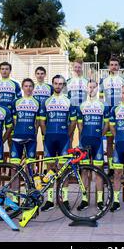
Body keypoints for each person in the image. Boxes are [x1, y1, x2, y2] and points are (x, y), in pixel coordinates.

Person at [39, 75, 77, 212]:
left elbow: (73, 121)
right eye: (56, 83)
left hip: (63, 140)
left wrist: (68, 134)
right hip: (50, 139)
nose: (58, 86)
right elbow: (42, 122)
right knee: (50, 168)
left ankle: (64, 199)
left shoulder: (68, 101)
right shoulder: (46, 101)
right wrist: (45, 134)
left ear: (64, 85)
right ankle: (49, 200)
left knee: (64, 169)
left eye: (61, 84)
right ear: (52, 84)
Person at [76, 80, 110, 211]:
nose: (91, 89)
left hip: (98, 142)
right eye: (89, 87)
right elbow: (80, 125)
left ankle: (100, 200)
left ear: (98, 89)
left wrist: (100, 135)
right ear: (86, 89)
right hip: (85, 141)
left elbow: (106, 124)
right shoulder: (82, 105)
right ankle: (85, 200)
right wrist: (84, 136)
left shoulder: (103, 105)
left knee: (98, 171)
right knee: (84, 171)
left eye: (94, 87)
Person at [99, 57, 124, 176]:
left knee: (122, 141)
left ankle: (123, 168)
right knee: (110, 142)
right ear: (108, 67)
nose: (114, 67)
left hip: (121, 113)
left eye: (116, 65)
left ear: (119, 67)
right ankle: (111, 167)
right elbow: (101, 99)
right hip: (109, 112)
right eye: (111, 64)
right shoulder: (103, 80)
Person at [10, 79, 41, 166]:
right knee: (14, 167)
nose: (28, 88)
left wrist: (34, 133)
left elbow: (37, 122)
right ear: (22, 88)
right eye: (26, 86)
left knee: (29, 166)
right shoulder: (16, 102)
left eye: (30, 86)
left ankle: (28, 180)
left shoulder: (37, 102)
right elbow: (15, 121)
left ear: (33, 88)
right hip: (17, 137)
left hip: (31, 137)